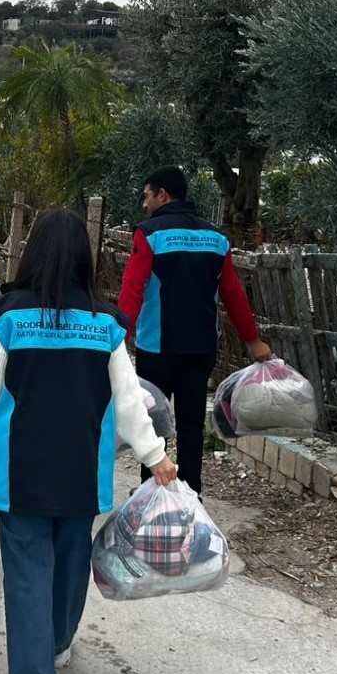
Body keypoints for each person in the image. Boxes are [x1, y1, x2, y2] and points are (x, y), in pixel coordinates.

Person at [0, 209, 178, 674]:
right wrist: (156, 457)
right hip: (81, 469)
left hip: (18, 472)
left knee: (27, 569)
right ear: (83, 257)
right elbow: (131, 403)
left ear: (33, 252)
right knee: (69, 562)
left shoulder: (8, 317)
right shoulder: (106, 324)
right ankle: (58, 643)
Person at [118, 166, 271, 495]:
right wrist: (253, 341)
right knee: (190, 426)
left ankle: (151, 495)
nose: (144, 205)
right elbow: (233, 294)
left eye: (147, 196)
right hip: (200, 349)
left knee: (151, 421)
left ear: (163, 195)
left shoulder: (148, 234)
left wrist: (119, 338)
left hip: (156, 348)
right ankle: (191, 496)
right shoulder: (215, 239)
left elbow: (133, 289)